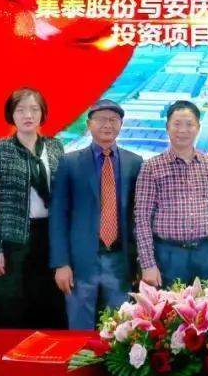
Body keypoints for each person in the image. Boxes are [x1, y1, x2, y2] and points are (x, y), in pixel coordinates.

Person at [50, 99, 143, 330]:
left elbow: (139, 216)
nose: (107, 125)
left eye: (113, 120)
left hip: (120, 262)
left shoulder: (135, 162)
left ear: (121, 125)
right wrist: (61, 263)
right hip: (80, 263)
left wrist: (139, 262)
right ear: (89, 124)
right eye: (101, 119)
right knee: (79, 329)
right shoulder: (69, 163)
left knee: (119, 331)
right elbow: (58, 217)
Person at [0, 87, 65, 328]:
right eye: (21, 110)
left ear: (42, 114)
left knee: (47, 303)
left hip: (49, 237)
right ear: (12, 114)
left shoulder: (55, 146)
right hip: (12, 241)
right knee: (12, 306)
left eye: (34, 109)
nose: (28, 115)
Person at [133, 100, 208, 288]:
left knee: (207, 306)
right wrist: (147, 264)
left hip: (204, 252)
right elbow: (142, 219)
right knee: (170, 306)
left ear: (198, 128)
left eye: (189, 124)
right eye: (177, 124)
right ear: (167, 127)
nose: (183, 130)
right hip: (168, 255)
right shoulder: (151, 167)